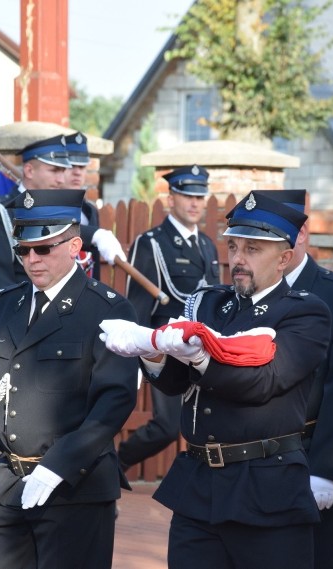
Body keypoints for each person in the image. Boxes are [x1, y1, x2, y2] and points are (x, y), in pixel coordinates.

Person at [101, 190, 332, 568]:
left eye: (253, 250)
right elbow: (175, 383)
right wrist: (151, 350)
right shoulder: (210, 304)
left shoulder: (305, 312)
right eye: (234, 247)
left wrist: (202, 359)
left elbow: (263, 382)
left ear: (284, 258)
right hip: (199, 485)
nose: (238, 259)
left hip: (266, 490)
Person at [0, 189, 138, 568]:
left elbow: (114, 401)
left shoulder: (108, 310)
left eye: (43, 249)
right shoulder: (2, 307)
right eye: (23, 250)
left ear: (75, 245)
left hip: (75, 488)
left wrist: (61, 463)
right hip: (9, 484)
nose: (31, 260)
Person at [251, 189, 333, 569]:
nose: (254, 251)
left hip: (313, 459)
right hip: (254, 465)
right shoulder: (243, 292)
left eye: (267, 240)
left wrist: (325, 467)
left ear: (301, 235)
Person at [118, 164, 220, 471]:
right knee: (167, 425)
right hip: (164, 350)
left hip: (202, 350)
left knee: (206, 421)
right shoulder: (151, 244)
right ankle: (115, 463)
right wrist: (134, 356)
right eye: (186, 196)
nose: (194, 203)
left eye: (200, 197)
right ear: (171, 198)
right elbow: (135, 306)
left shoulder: (206, 245)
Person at [0, 133, 125, 298]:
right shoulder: (0, 211)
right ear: (29, 170)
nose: (61, 179)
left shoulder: (64, 209)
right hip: (24, 316)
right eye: (55, 170)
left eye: (63, 171)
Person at [65, 131, 103, 279]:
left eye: (81, 167)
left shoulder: (90, 211)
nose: (77, 173)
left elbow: (93, 260)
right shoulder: (44, 207)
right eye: (71, 165)